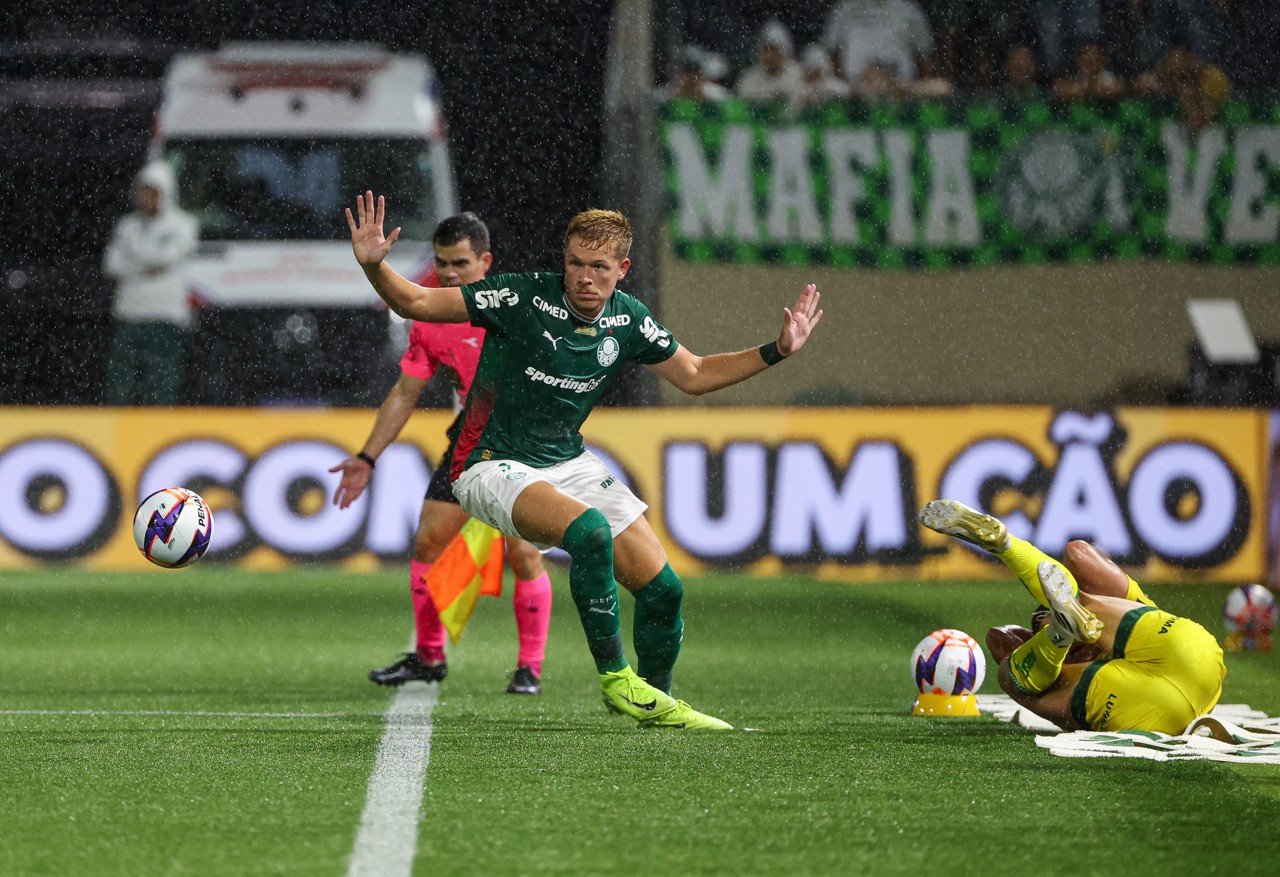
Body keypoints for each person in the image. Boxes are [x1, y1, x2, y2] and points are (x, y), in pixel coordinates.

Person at [345, 191, 823, 730]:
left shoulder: (628, 320)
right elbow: (417, 303)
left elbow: (695, 375)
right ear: (564, 261)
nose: (585, 277)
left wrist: (776, 350)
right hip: (488, 463)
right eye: (575, 263)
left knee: (665, 591)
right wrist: (374, 267)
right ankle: (615, 679)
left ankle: (655, 701)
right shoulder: (521, 297)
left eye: (599, 267)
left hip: (566, 460)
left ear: (623, 269)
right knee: (588, 531)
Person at [329, 213, 551, 695]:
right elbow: (405, 393)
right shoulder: (432, 317)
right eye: (443, 263)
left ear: (486, 262)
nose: (449, 274)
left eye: (461, 263)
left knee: (523, 552)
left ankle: (529, 667)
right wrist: (367, 458)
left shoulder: (520, 307)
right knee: (429, 542)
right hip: (470, 439)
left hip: (526, 439)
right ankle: (429, 657)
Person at [920, 499, 1226, 734]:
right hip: (1196, 656)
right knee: (1084, 597)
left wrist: (1054, 646)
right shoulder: (1125, 606)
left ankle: (1057, 638)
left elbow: (1000, 645)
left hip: (1147, 711)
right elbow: (1079, 552)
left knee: (1012, 681)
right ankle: (1008, 546)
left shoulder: (1066, 680)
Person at [102, 160, 199, 405]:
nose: (145, 197)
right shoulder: (127, 225)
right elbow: (111, 265)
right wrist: (147, 264)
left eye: (152, 191)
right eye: (142, 191)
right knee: (120, 383)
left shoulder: (183, 224)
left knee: (160, 383)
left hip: (164, 315)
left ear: (166, 193)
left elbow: (166, 259)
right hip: (130, 313)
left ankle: (157, 433)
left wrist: (133, 257)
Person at [736, 18, 804, 103]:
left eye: (773, 50)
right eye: (765, 50)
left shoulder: (799, 75)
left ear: (784, 52)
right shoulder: (748, 78)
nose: (769, 55)